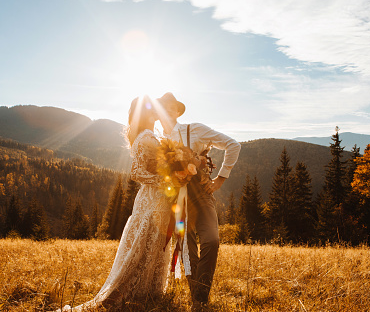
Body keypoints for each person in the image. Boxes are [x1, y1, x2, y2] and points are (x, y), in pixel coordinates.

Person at [59, 96, 172, 311]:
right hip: (152, 199)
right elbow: (136, 172)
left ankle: (149, 292)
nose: (156, 112)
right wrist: (164, 180)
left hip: (156, 199)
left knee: (154, 243)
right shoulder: (146, 137)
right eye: (152, 109)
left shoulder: (147, 135)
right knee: (145, 243)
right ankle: (136, 292)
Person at [156, 92, 241, 309]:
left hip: (202, 195)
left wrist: (221, 179)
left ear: (177, 111)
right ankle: (199, 300)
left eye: (170, 107)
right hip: (176, 200)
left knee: (212, 241)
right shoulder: (158, 141)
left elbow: (233, 145)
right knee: (188, 251)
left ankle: (200, 296)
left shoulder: (193, 129)